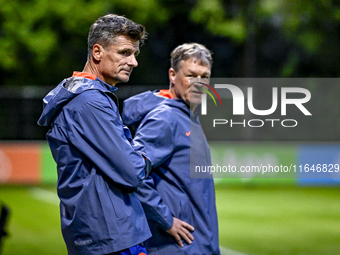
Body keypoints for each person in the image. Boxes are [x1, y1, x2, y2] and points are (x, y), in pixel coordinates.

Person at [37, 14, 152, 255]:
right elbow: (132, 171)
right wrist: (146, 157)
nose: (133, 62)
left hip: (97, 233)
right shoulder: (90, 101)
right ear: (97, 52)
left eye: (135, 54)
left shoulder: (81, 94)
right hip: (111, 235)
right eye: (124, 53)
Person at [122, 43, 220, 255]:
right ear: (173, 75)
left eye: (205, 76)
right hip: (176, 247)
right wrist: (166, 220)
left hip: (197, 244)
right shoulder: (165, 118)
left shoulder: (188, 117)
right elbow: (132, 171)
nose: (199, 83)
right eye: (191, 75)